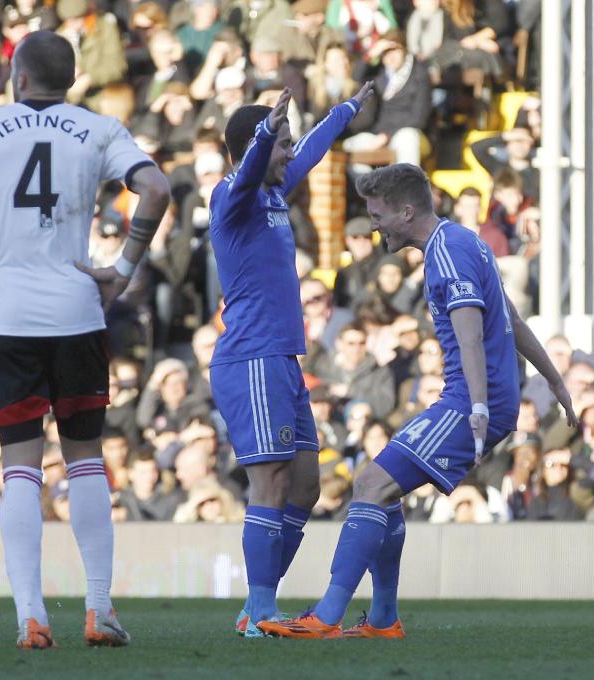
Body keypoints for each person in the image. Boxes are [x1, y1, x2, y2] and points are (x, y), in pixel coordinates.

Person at [0, 31, 170, 649]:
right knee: (86, 459)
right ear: (71, 81)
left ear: (16, 77)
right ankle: (99, 608)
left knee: (20, 468)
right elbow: (155, 188)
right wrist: (123, 270)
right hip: (76, 310)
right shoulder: (99, 128)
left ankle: (31, 616)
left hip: (6, 314)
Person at [260, 163, 578, 640]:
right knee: (384, 495)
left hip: (469, 400)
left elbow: (471, 333)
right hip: (477, 398)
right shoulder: (464, 240)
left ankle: (326, 616)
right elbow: (509, 315)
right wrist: (554, 380)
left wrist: (476, 407)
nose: (374, 223)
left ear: (406, 211)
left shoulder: (446, 252)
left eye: (377, 213)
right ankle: (384, 619)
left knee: (368, 486)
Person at [207, 81, 373, 638]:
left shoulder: (275, 195)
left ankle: (259, 603)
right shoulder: (231, 196)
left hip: (283, 359)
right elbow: (256, 163)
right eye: (280, 144)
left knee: (305, 487)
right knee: (271, 484)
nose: (288, 153)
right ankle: (258, 611)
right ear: (255, 145)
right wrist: (263, 134)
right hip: (251, 357)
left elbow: (308, 153)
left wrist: (346, 110)